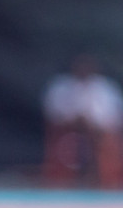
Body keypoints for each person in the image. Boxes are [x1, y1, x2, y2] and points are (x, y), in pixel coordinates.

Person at [42, 55, 123, 187]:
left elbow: (112, 116)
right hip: (68, 128)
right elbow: (54, 113)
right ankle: (60, 181)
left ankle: (109, 181)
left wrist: (94, 124)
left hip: (99, 130)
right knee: (62, 141)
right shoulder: (62, 86)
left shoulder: (105, 88)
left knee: (109, 142)